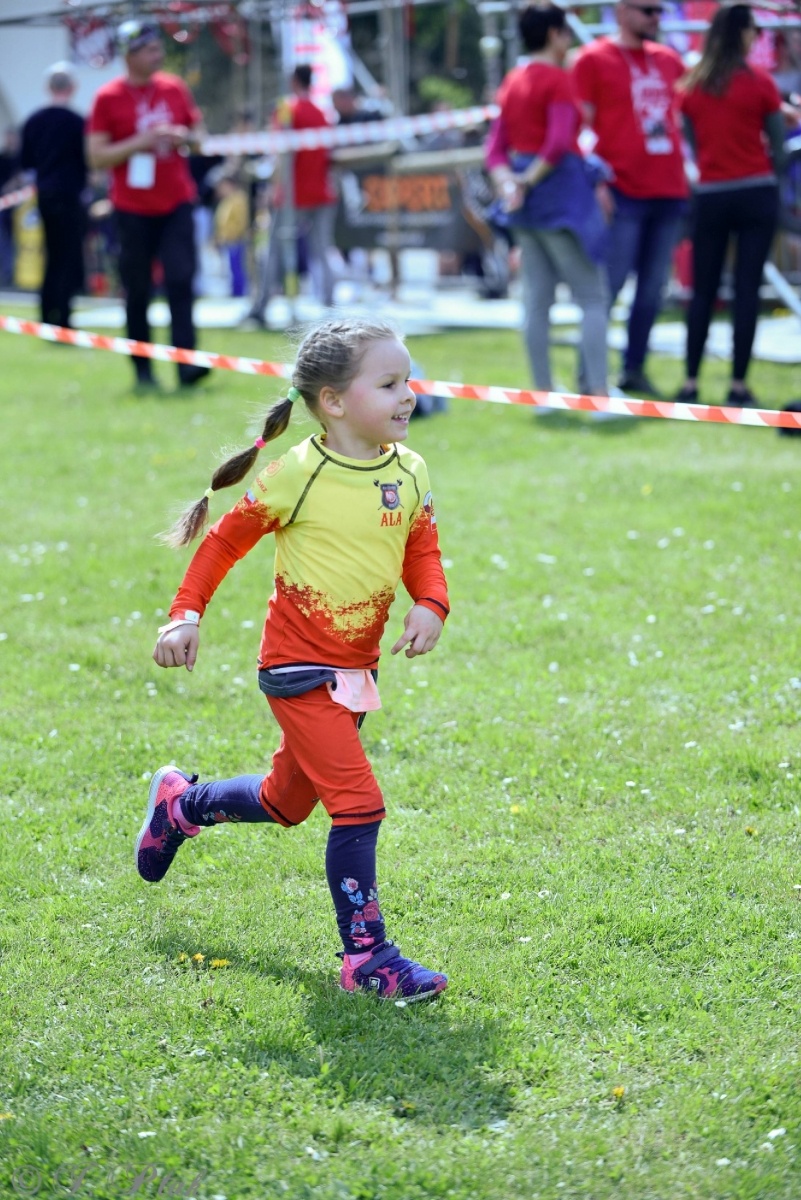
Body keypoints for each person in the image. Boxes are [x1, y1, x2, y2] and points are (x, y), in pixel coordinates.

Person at [138, 317, 450, 1002]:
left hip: (356, 668)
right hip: (297, 668)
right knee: (359, 806)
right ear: (332, 401)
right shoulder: (296, 475)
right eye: (389, 383)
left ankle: (181, 806)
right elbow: (223, 542)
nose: (408, 395)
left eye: (408, 380)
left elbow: (421, 547)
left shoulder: (409, 469)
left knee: (285, 802)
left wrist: (430, 603)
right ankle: (368, 960)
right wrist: (185, 614)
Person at [486, 3, 610, 398]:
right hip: (561, 200)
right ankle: (599, 394)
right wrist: (525, 180)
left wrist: (511, 184)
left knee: (536, 302)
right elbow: (557, 144)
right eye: (567, 31)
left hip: (524, 208)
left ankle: (543, 393)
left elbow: (495, 150)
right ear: (555, 34)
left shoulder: (512, 80)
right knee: (592, 297)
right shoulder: (557, 79)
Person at [86, 19, 210, 392]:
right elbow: (96, 156)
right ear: (130, 54)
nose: (158, 55)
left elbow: (200, 138)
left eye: (159, 48)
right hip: (132, 208)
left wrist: (183, 136)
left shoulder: (174, 87)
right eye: (151, 49)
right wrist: (140, 142)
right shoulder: (107, 97)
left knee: (180, 280)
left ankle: (186, 364)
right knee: (137, 288)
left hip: (176, 202)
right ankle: (142, 369)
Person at [573, 0, 688, 397]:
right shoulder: (592, 59)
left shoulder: (670, 60)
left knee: (653, 290)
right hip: (621, 190)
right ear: (622, 11)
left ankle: (634, 370)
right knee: (609, 286)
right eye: (647, 10)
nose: (656, 18)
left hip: (669, 188)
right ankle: (590, 375)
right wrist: (595, 183)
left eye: (660, 11)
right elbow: (578, 128)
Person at [675, 6, 785, 408]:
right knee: (746, 291)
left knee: (702, 290)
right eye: (754, 30)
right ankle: (738, 385)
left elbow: (694, 145)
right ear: (742, 33)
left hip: (711, 194)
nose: (757, 37)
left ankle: (690, 381)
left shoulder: (692, 86)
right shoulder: (760, 82)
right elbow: (779, 147)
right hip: (756, 192)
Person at [245, 65, 337, 325]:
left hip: (292, 194)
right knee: (323, 251)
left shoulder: (287, 109)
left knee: (273, 250)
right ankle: (332, 308)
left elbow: (282, 153)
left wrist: (275, 188)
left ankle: (261, 306)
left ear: (294, 80)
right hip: (321, 191)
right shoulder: (323, 112)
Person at [20, 63, 87, 329]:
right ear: (72, 88)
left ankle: (47, 314)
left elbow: (26, 162)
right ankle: (64, 316)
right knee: (67, 256)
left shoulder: (34, 121)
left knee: (51, 254)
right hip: (70, 195)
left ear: (48, 87)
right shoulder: (78, 122)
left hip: (46, 195)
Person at [213, 170, 249, 297]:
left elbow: (240, 222)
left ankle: (239, 293)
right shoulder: (227, 200)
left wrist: (230, 236)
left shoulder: (238, 199)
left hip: (236, 239)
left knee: (238, 268)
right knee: (232, 268)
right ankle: (235, 292)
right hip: (227, 240)